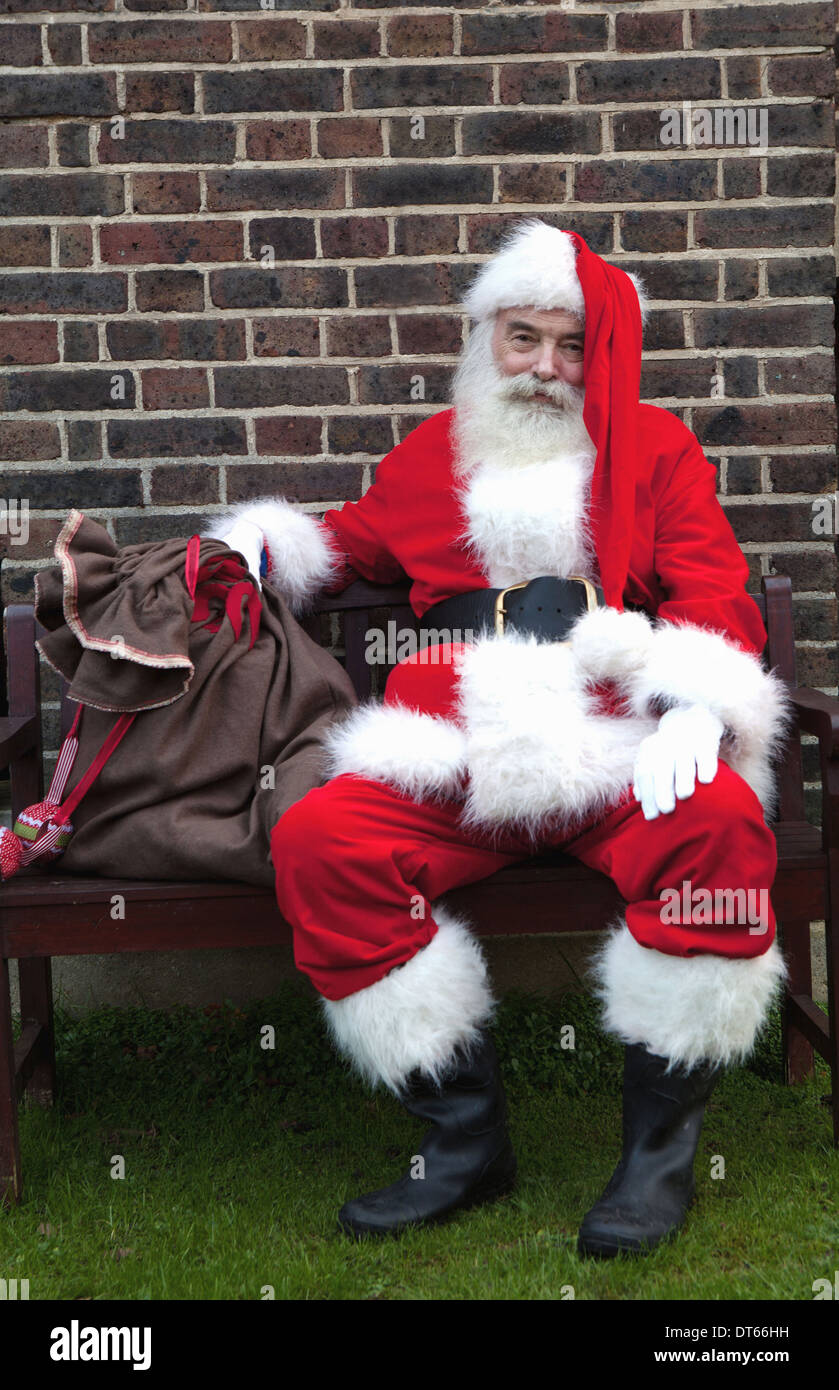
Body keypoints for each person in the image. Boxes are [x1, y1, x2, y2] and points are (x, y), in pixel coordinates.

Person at [204, 220, 790, 1257]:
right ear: (483, 335)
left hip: (609, 738)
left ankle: (654, 1163)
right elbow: (339, 544)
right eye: (524, 338)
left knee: (716, 828)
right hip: (454, 747)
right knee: (320, 838)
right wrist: (257, 547)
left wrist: (697, 701)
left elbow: (711, 589)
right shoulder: (434, 453)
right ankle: (462, 1142)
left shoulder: (655, 449)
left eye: (572, 347)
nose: (545, 368)